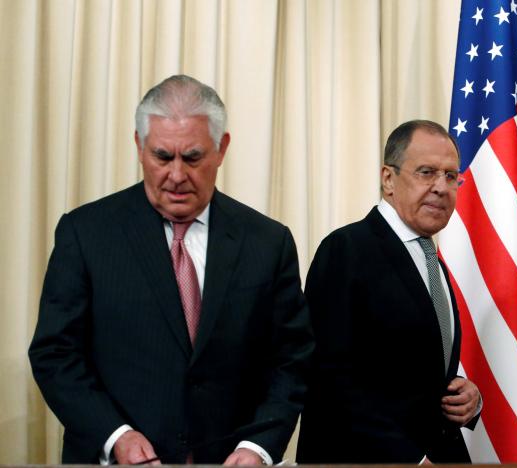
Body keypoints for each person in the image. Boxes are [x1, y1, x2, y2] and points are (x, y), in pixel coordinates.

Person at [29, 75, 314, 465]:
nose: (177, 175)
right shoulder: (86, 233)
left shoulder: (267, 242)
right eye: (162, 157)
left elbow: (292, 359)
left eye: (193, 158)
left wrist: (258, 446)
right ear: (139, 145)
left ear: (222, 148)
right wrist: (116, 436)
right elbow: (55, 353)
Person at [296, 120, 481, 464]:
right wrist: (408, 458)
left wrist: (464, 395)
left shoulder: (431, 260)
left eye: (451, 176)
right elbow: (328, 379)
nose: (441, 187)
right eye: (426, 172)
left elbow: (406, 366)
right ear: (388, 179)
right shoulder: (346, 249)